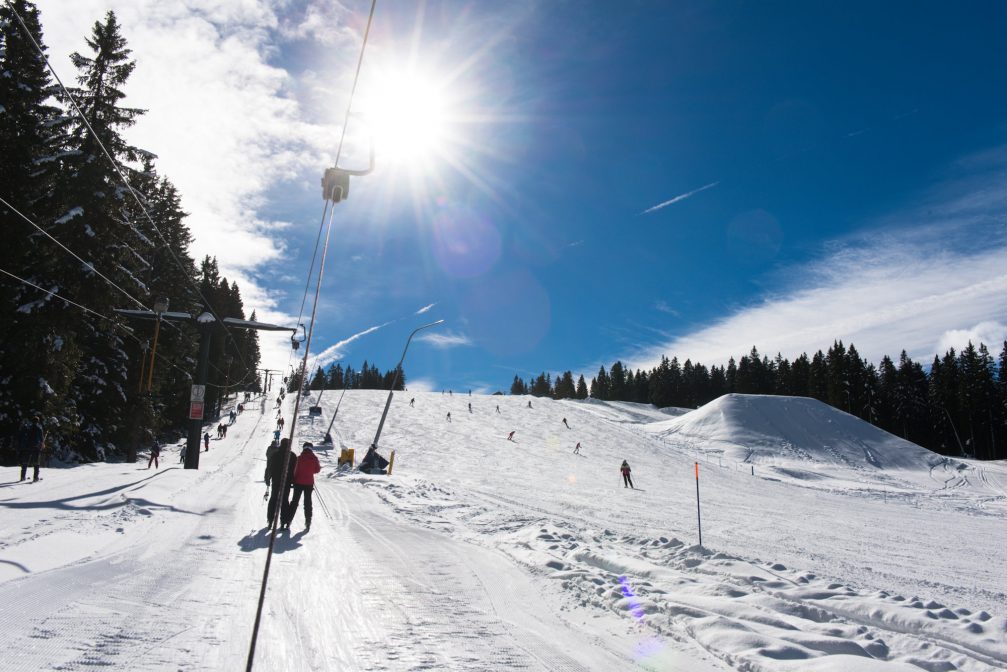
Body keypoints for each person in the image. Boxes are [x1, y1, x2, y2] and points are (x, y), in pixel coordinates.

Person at [283, 442, 321, 531]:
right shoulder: (314, 458)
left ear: (304, 448)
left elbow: (295, 471)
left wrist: (293, 480)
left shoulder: (299, 458)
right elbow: (317, 470)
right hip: (309, 483)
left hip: (298, 482)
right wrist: (310, 472)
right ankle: (308, 521)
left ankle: (288, 521)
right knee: (307, 502)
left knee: (294, 501)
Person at [265, 438, 296, 527]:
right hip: (287, 482)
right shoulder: (292, 456)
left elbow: (269, 467)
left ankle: (270, 520)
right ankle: (283, 521)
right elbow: (295, 470)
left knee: (273, 499)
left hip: (276, 481)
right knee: (284, 500)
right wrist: (293, 481)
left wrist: (268, 478)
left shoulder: (275, 454)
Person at [17, 416, 44, 482]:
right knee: (36, 463)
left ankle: (22, 477)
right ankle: (35, 478)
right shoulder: (39, 428)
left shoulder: (27, 428)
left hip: (27, 447)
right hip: (35, 447)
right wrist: (42, 444)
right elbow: (41, 439)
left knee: (25, 463)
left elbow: (21, 436)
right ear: (38, 421)